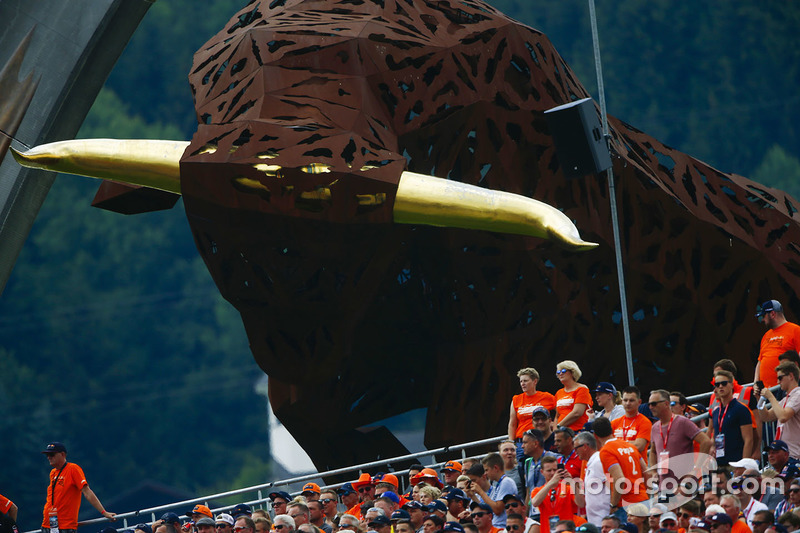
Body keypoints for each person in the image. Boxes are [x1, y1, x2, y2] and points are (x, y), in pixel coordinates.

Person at [40, 441, 116, 533]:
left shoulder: (73, 469)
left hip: (65, 526)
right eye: (47, 455)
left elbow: (87, 492)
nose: (49, 457)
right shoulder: (53, 473)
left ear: (63, 454)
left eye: (52, 454)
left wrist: (104, 512)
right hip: (49, 524)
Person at [647, 389, 712, 472]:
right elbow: (653, 452)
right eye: (649, 404)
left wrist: (696, 469)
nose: (651, 407)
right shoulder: (655, 428)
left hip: (684, 481)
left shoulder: (683, 422)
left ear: (666, 404)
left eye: (654, 404)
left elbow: (706, 442)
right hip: (664, 481)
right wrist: (653, 472)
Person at [594, 416, 649, 513]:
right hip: (643, 499)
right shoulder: (629, 445)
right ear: (611, 430)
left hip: (627, 504)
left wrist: (613, 504)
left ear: (595, 435)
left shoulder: (606, 451)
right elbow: (646, 472)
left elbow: (620, 478)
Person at [510, 368, 557, 460]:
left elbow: (561, 412)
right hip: (522, 442)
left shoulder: (547, 397)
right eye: (521, 381)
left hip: (542, 440)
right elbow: (512, 423)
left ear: (535, 381)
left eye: (525, 381)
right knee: (523, 469)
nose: (522, 384)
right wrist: (511, 442)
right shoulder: (516, 399)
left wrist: (554, 424)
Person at [709, 370, 754, 466]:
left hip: (735, 463)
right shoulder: (716, 411)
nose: (720, 386)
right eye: (717, 384)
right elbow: (715, 435)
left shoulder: (741, 409)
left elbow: (748, 439)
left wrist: (743, 465)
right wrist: (712, 447)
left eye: (724, 383)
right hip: (719, 463)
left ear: (732, 385)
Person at [754, 300, 800, 389]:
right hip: (766, 391)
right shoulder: (766, 335)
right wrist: (756, 382)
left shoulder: (795, 330)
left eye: (764, 316)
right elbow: (760, 361)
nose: (763, 319)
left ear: (772, 314)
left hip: (783, 389)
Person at [759, 362, 800, 458]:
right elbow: (766, 417)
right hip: (783, 455)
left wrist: (771, 397)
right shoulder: (785, 399)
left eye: (780, 378)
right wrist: (759, 399)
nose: (778, 382)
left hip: (794, 455)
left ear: (791, 376)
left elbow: (783, 417)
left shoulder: (798, 395)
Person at [529, 457, 580, 533]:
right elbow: (535, 502)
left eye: (555, 470)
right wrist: (551, 483)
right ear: (542, 472)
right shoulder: (538, 490)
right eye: (549, 471)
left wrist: (572, 482)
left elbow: (581, 503)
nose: (553, 473)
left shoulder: (568, 488)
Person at [469, 453, 518, 528]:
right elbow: (489, 509)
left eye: (486, 470)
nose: (485, 473)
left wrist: (480, 492)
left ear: (495, 468)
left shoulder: (506, 482)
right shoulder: (500, 484)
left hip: (502, 527)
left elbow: (497, 510)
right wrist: (473, 496)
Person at [573, 431, 609, 526]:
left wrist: (612, 507)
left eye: (576, 448)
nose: (575, 452)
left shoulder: (598, 461)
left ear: (585, 446)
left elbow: (612, 483)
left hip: (603, 519)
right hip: (595, 520)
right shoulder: (590, 463)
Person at [611, 386, 652, 455]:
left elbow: (638, 446)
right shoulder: (614, 423)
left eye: (631, 400)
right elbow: (607, 445)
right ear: (622, 401)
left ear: (639, 402)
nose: (628, 403)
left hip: (637, 464)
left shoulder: (645, 422)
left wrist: (616, 443)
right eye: (625, 400)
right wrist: (632, 442)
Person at [554, 361, 592, 431]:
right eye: (558, 372)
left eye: (564, 370)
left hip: (577, 431)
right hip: (561, 433)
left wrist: (559, 426)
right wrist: (555, 430)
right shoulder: (559, 393)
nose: (561, 373)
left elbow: (577, 413)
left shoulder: (582, 389)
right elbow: (557, 416)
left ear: (572, 372)